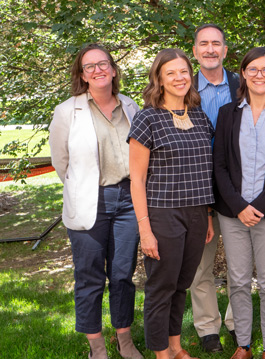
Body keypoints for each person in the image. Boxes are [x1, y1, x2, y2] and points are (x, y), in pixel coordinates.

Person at [49, 43, 143, 359]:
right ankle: (97, 348)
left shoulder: (130, 107)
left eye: (103, 64)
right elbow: (61, 161)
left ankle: (125, 341)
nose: (98, 70)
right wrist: (83, 188)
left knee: (122, 275)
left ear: (113, 70)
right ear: (82, 75)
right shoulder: (66, 111)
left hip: (129, 203)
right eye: (90, 66)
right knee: (89, 278)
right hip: (89, 202)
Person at [212, 47, 265, 359]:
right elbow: (218, 165)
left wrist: (258, 206)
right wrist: (239, 206)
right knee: (237, 280)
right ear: (243, 75)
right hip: (233, 213)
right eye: (253, 69)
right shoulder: (227, 113)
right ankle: (244, 345)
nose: (259, 75)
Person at [128, 48, 215, 359]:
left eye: (183, 72)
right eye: (171, 73)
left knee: (182, 284)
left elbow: (203, 170)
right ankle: (160, 351)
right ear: (159, 80)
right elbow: (136, 180)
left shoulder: (200, 117)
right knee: (161, 286)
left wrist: (206, 215)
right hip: (163, 213)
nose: (179, 78)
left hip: (195, 213)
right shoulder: (147, 118)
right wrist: (145, 230)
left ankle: (176, 347)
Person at [189, 23, 240, 353]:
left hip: (236, 189)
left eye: (216, 44)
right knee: (199, 264)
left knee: (239, 263)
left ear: (224, 50)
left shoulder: (243, 83)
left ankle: (238, 322)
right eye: (203, 44)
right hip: (195, 188)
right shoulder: (181, 86)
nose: (210, 49)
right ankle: (208, 328)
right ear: (195, 50)